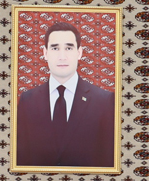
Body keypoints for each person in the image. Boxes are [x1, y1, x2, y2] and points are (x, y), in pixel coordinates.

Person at [16, 21, 116, 168]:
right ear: (45, 53)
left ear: (79, 52)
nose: (62, 56)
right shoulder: (27, 100)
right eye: (55, 48)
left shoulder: (104, 101)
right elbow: (21, 158)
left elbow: (108, 159)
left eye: (69, 48)